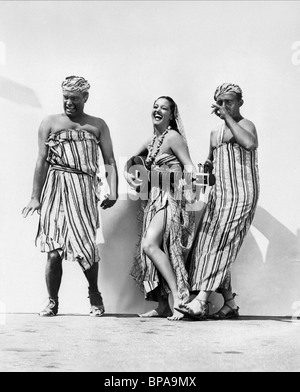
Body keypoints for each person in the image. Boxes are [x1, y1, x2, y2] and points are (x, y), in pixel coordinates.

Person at [22, 76, 118, 317]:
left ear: (85, 98)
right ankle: (52, 301)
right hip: (55, 186)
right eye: (65, 97)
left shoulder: (97, 125)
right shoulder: (50, 122)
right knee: (53, 248)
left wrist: (114, 190)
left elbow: (109, 161)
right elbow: (41, 160)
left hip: (84, 188)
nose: (69, 102)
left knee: (86, 246)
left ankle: (94, 294)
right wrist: (35, 196)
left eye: (74, 98)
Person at [177, 83, 259, 320]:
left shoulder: (245, 125)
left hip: (242, 194)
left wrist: (228, 119)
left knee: (222, 244)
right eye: (220, 102)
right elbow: (210, 163)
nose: (224, 106)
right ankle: (230, 304)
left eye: (229, 101)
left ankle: (201, 302)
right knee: (206, 245)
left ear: (240, 103)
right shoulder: (215, 133)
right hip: (220, 196)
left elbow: (249, 143)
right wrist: (208, 167)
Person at [124, 96, 196, 321]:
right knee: (153, 249)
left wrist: (189, 188)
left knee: (150, 245)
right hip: (153, 199)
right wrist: (129, 177)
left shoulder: (173, 137)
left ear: (172, 114)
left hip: (169, 198)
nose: (158, 110)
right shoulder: (151, 141)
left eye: (164, 108)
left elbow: (189, 166)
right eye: (155, 106)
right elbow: (129, 164)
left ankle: (179, 299)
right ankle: (163, 305)